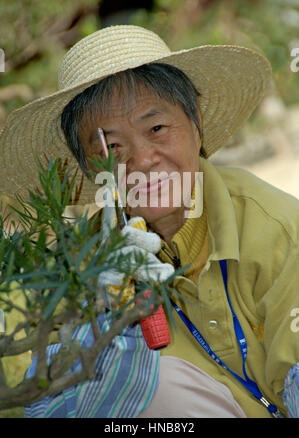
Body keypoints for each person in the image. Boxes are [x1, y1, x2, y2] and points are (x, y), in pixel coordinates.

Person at [0, 25, 298, 418]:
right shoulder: (78, 267)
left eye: (156, 129)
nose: (141, 161)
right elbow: (48, 399)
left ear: (196, 126)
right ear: (91, 167)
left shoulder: (276, 227)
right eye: (113, 147)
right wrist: (99, 319)